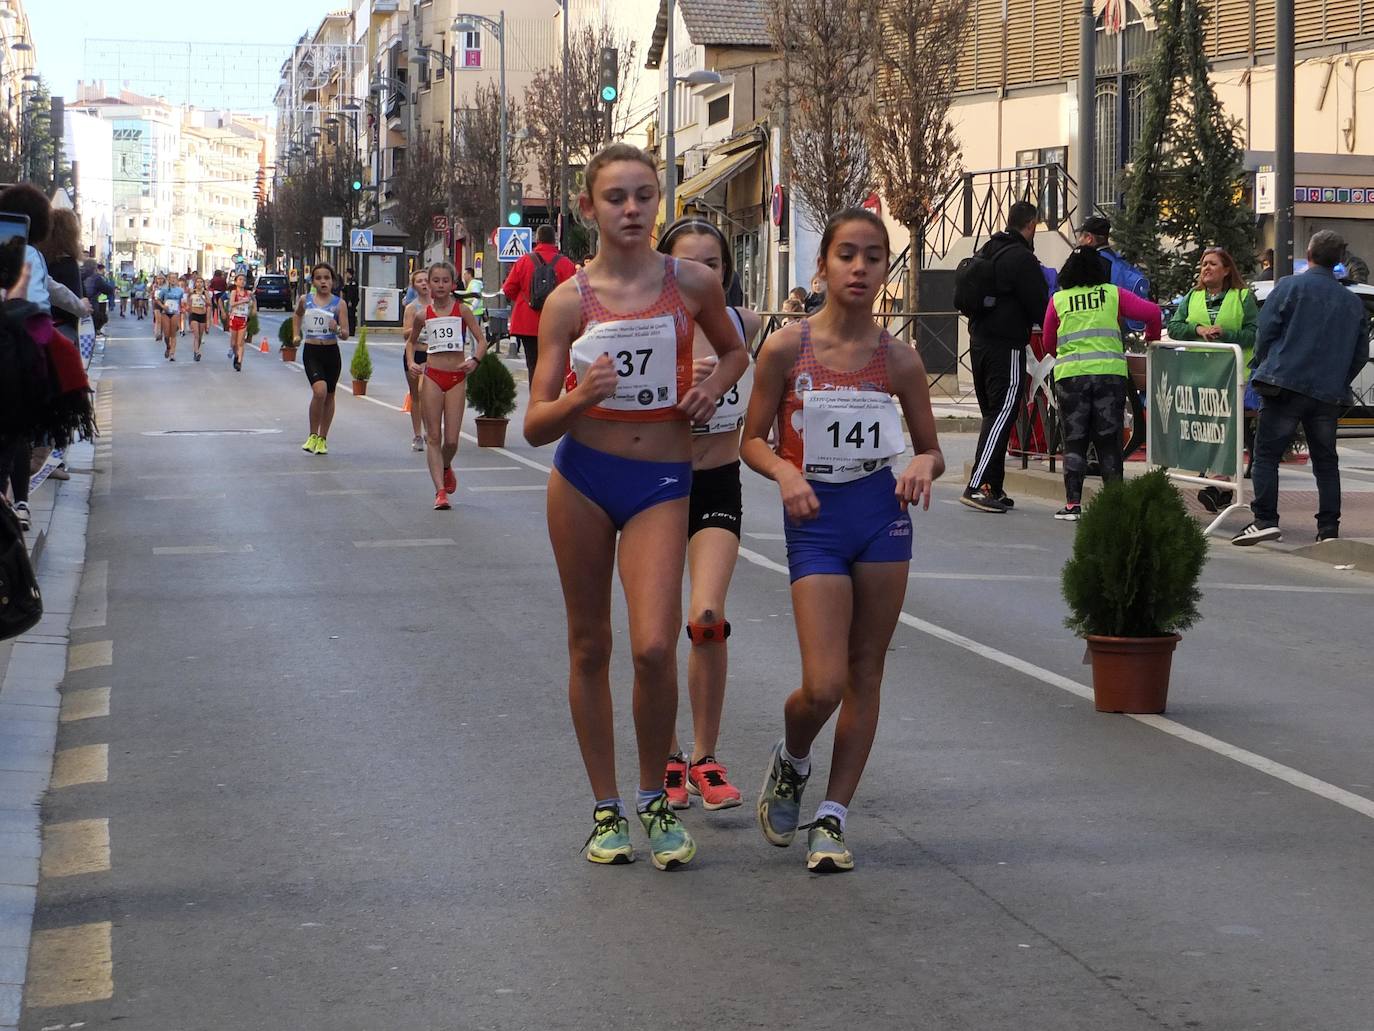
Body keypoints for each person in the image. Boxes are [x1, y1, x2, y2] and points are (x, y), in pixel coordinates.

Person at [524, 143, 746, 869]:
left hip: (661, 482)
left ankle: (655, 796)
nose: (630, 209)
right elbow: (534, 424)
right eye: (615, 197)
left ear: (660, 201)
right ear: (587, 207)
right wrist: (580, 396)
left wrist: (712, 388)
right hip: (584, 480)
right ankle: (607, 808)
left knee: (653, 646)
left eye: (643, 196)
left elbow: (736, 353)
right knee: (590, 645)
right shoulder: (568, 301)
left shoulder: (692, 284)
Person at [740, 207, 944, 873]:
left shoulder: (900, 360)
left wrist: (922, 464)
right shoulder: (784, 348)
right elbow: (751, 440)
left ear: (886, 269)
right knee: (823, 684)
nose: (859, 268)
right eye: (847, 255)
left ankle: (832, 816)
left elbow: (932, 450)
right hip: (817, 522)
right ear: (823, 265)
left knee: (865, 671)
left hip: (881, 516)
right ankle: (793, 757)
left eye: (873, 257)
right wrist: (785, 471)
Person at [655, 217, 762, 813]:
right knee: (655, 632)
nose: (701, 274)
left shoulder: (747, 326)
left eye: (712, 264)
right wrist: (677, 386)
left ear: (727, 271)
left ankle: (704, 757)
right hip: (658, 489)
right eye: (687, 264)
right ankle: (667, 753)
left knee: (707, 617)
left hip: (719, 480)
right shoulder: (647, 330)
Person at [1233, 230, 1369, 546]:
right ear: (1339, 259)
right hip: (1327, 392)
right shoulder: (1353, 303)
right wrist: (1340, 378)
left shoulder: (1289, 287)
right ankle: (1328, 529)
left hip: (1284, 383)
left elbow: (1265, 333)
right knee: (1326, 461)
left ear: (1309, 254)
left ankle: (1265, 520)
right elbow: (1360, 354)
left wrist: (1263, 365)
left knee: (1266, 454)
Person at [1042, 245, 1162, 520]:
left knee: (1074, 441)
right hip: (1110, 377)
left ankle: (1073, 505)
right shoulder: (1112, 294)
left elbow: (1049, 342)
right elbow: (1153, 313)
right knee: (1108, 441)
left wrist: (1067, 356)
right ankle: (1114, 505)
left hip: (1071, 379)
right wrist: (1152, 338)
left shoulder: (1059, 300)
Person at [961, 200, 1049, 513]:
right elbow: (1040, 305)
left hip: (978, 342)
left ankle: (993, 486)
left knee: (992, 414)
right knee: (1003, 413)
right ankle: (976, 485)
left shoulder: (989, 249)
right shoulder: (1022, 258)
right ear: (1031, 225)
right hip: (1006, 345)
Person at [1166, 247, 1260, 510]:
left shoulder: (1242, 297)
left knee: (1225, 429)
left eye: (1212, 264)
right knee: (1207, 429)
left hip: (1231, 375)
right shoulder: (1192, 296)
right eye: (1204, 264)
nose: (1206, 268)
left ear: (1227, 270)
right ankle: (1220, 486)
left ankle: (1217, 484)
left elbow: (1254, 333)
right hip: (1199, 376)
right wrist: (1198, 330)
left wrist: (1226, 334)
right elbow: (1174, 327)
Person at [408, 262, 486, 509]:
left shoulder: (462, 311)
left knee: (451, 441)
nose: (440, 285)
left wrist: (475, 360)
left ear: (453, 284)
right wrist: (411, 362)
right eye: (436, 281)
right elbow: (410, 343)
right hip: (432, 376)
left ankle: (445, 465)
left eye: (445, 281)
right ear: (429, 284)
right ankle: (440, 492)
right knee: (433, 436)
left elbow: (481, 341)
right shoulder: (423, 315)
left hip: (455, 378)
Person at [502, 223, 576, 381]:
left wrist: (525, 300)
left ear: (537, 240)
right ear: (554, 240)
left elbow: (508, 289)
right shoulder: (566, 264)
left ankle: (535, 394)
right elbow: (575, 295)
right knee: (555, 365)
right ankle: (551, 394)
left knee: (533, 364)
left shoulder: (523, 261)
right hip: (556, 323)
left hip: (527, 322)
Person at [294, 263, 350, 455]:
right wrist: (296, 334)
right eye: (319, 278)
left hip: (331, 352)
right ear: (313, 282)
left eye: (327, 278)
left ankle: (322, 438)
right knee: (320, 391)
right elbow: (297, 315)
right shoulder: (305, 300)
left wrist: (337, 328)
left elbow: (346, 334)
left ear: (332, 281)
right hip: (312, 351)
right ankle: (312, 434)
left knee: (330, 395)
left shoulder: (339, 304)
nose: (323, 281)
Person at [401, 269, 433, 451]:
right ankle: (418, 435)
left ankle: (429, 429)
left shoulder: (439, 305)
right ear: (414, 286)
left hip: (432, 354)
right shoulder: (412, 308)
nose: (423, 283)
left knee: (424, 391)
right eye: (419, 281)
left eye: (426, 280)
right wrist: (418, 326)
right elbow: (405, 334)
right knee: (416, 395)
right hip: (414, 353)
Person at [226, 273, 254, 372]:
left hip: (243, 318)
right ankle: (236, 355)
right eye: (240, 280)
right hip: (234, 318)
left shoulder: (248, 293)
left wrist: (253, 309)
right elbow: (231, 304)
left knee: (240, 343)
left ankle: (239, 362)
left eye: (244, 280)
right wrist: (242, 301)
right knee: (233, 343)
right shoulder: (234, 292)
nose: (242, 282)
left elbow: (254, 300)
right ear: (236, 282)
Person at [158, 274, 185, 359]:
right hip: (165, 313)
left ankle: (172, 353)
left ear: (177, 280)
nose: (173, 280)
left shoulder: (180, 290)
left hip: (175, 312)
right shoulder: (164, 289)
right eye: (171, 278)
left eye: (175, 278)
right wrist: (163, 306)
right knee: (166, 335)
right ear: (168, 280)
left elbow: (182, 301)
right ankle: (168, 347)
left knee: (173, 334)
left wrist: (183, 307)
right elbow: (158, 300)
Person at [186, 275, 211, 361]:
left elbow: (209, 304)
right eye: (197, 282)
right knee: (196, 335)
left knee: (200, 336)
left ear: (203, 284)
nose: (199, 284)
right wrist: (188, 308)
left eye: (201, 282)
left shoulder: (205, 293)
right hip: (194, 314)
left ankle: (196, 351)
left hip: (202, 315)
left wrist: (202, 298)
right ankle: (197, 352)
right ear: (195, 283)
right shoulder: (192, 292)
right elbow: (188, 301)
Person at [341, 267, 360, 333]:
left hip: (351, 301)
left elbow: (352, 293)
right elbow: (345, 290)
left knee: (351, 316)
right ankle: (349, 329)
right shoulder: (349, 281)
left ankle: (352, 331)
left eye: (346, 273)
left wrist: (350, 301)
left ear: (349, 273)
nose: (346, 274)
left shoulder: (353, 282)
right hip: (348, 301)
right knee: (348, 316)